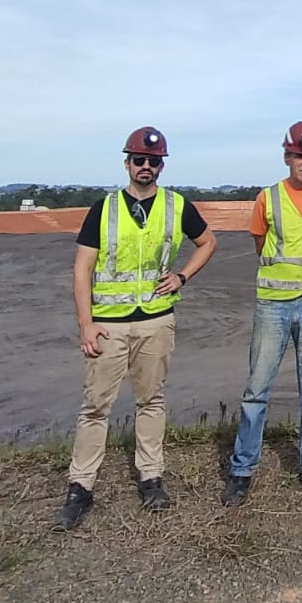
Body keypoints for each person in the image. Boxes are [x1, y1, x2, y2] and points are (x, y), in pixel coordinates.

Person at [53, 126, 218, 531]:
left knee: (151, 400)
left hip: (155, 321)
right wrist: (86, 324)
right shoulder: (103, 209)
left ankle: (150, 478)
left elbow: (208, 242)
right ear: (127, 163)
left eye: (154, 161)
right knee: (95, 406)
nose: (147, 166)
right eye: (140, 160)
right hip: (108, 326)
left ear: (162, 166)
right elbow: (81, 270)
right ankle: (81, 486)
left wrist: (181, 277)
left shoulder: (176, 205)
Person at [222, 121, 302, 507]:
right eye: (299, 155)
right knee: (257, 389)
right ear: (287, 157)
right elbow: (260, 242)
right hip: (274, 304)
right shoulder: (268, 198)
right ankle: (243, 470)